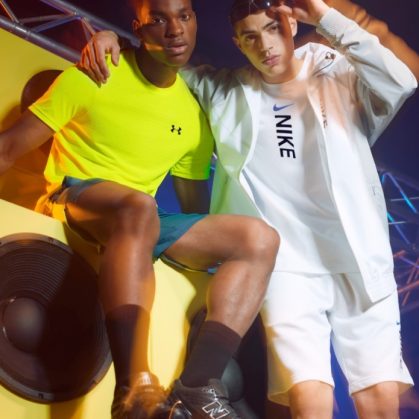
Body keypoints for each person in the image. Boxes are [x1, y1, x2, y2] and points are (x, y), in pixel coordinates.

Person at [80, 0, 418, 418]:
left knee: (379, 400)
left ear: (291, 23)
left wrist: (326, 18)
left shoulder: (335, 70)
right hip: (288, 268)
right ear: (238, 44)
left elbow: (402, 80)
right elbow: (158, 63)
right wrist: (114, 40)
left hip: (359, 258)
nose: (266, 46)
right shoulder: (225, 90)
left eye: (273, 29)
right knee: (308, 399)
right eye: (251, 37)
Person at [0, 0, 281, 418]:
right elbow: (8, 147)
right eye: (159, 20)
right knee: (139, 206)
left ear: (195, 21)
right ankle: (134, 389)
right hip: (74, 197)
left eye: (184, 16)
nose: (175, 30)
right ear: (138, 28)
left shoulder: (192, 115)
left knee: (259, 238)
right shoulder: (95, 75)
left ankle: (197, 385)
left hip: (141, 219)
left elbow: (195, 211)